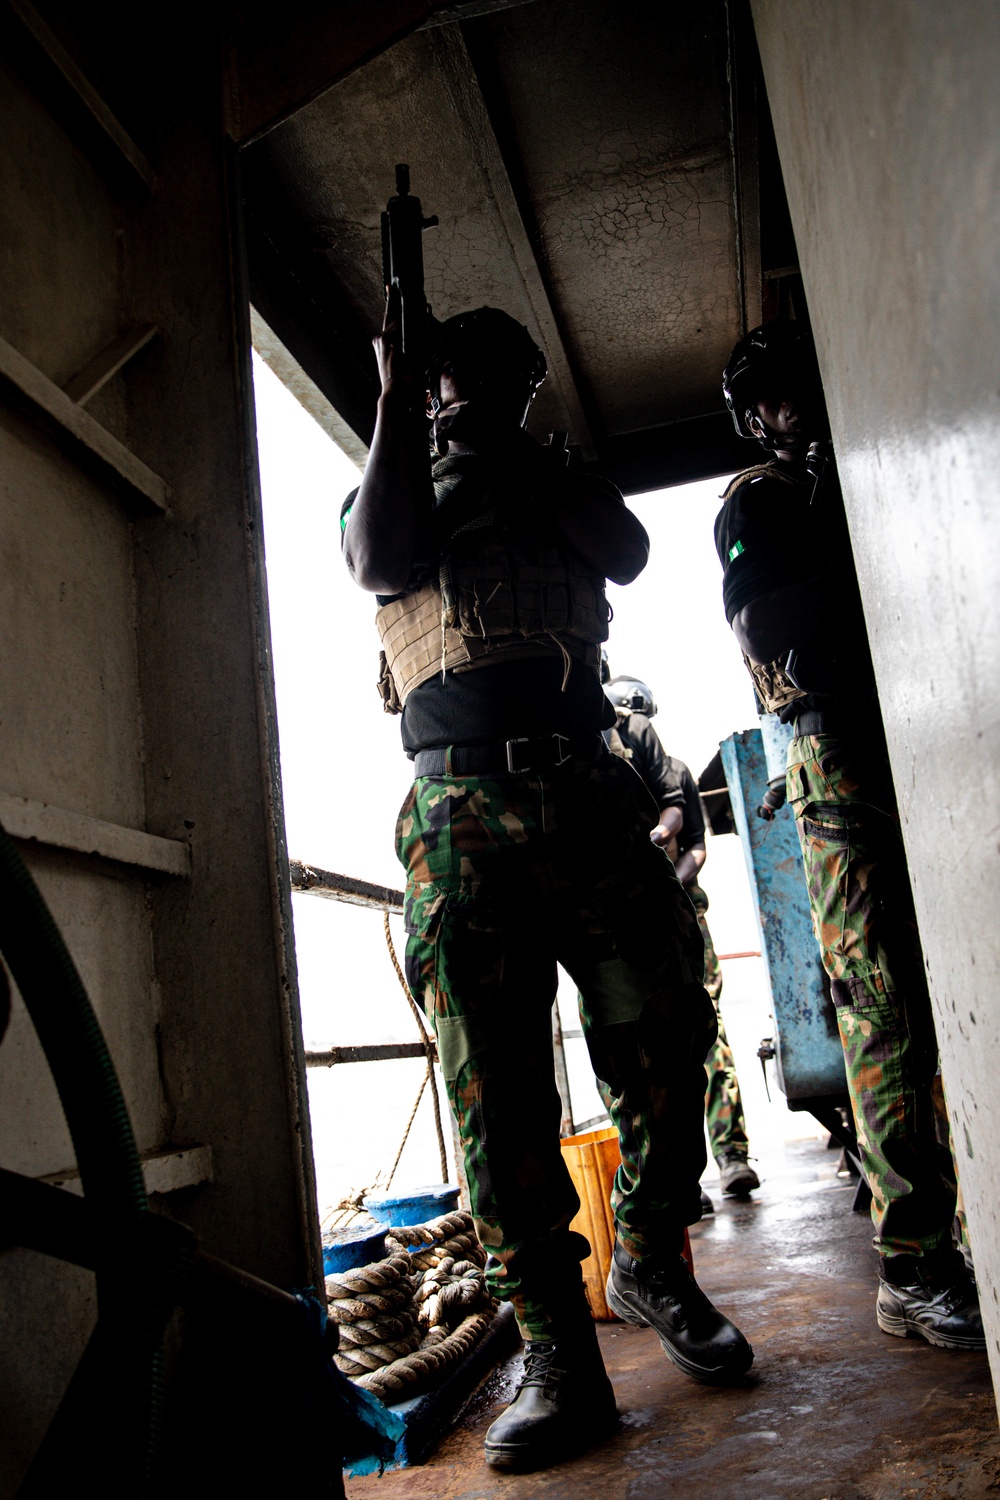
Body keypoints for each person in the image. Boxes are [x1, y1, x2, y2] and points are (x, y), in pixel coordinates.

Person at [342, 295, 753, 1471]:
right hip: (457, 815)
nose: (459, 393)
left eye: (487, 376)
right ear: (421, 386)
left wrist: (505, 444)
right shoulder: (394, 477)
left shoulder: (551, 471)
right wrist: (391, 404)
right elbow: (377, 558)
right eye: (443, 378)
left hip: (584, 792)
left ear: (522, 387)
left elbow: (621, 549)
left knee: (671, 1034)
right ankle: (563, 1360)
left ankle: (650, 1254)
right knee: (496, 1099)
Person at [714, 320, 983, 1352]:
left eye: (807, 387)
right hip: (839, 765)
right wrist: (866, 536)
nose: (801, 407)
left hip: (932, 745)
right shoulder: (762, 505)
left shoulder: (874, 475)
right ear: (754, 418)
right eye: (778, 397)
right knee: (881, 1011)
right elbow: (772, 631)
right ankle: (913, 1266)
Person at [604, 676, 760, 1205]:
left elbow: (695, 843)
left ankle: (730, 1154)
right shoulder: (599, 765)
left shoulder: (673, 774)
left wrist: (668, 878)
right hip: (624, 912)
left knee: (699, 1029)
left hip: (680, 910)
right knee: (643, 1043)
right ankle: (675, 1179)